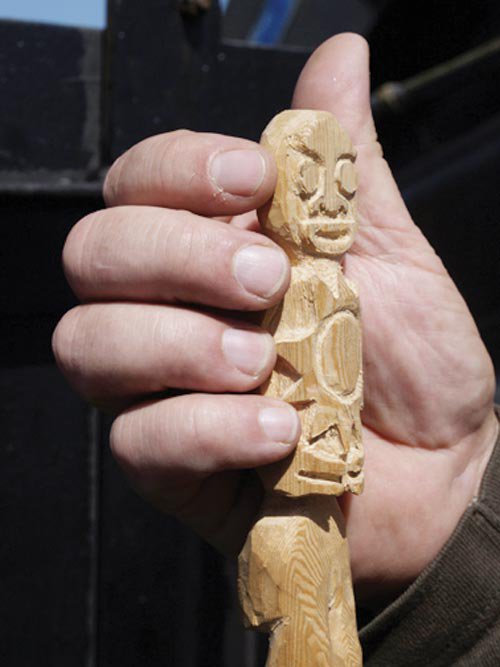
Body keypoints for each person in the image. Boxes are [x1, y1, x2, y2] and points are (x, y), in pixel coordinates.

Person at [52, 34, 499, 664]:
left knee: (329, 621)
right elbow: (295, 359)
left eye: (345, 184)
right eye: (309, 182)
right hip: (304, 475)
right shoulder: (289, 285)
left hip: (336, 463)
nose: (329, 204)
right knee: (300, 605)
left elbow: (343, 379)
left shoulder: (343, 288)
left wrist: (462, 498)